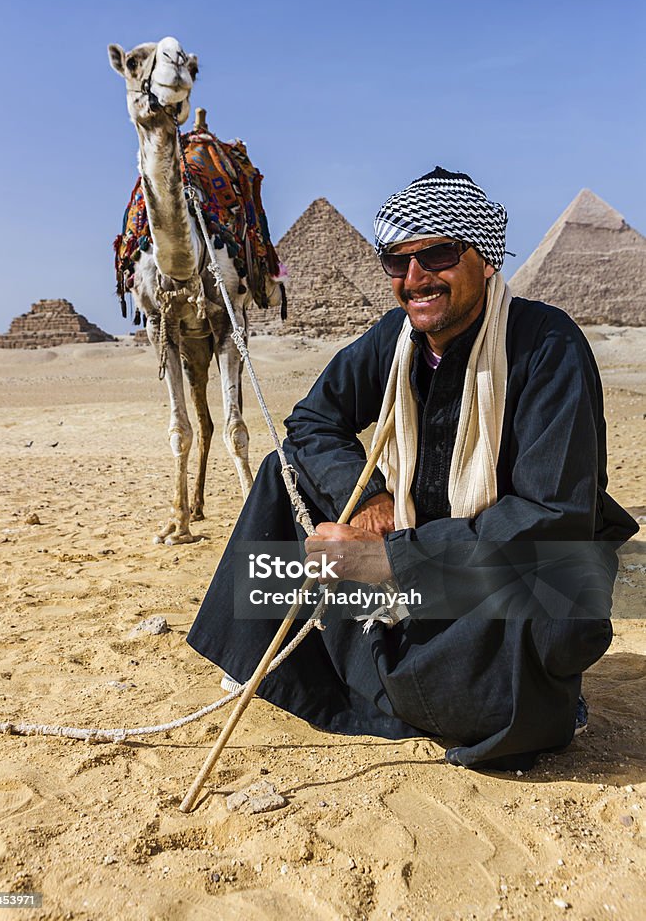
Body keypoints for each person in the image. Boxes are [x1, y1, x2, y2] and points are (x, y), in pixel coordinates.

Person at [187, 167, 637, 772]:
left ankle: (405, 677)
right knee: (285, 472)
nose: (415, 278)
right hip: (413, 548)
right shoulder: (394, 340)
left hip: (501, 571)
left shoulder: (546, 346)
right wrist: (369, 494)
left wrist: (389, 560)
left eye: (437, 255)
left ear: (484, 257)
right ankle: (363, 667)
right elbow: (312, 425)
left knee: (556, 594)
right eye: (396, 263)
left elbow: (550, 518)